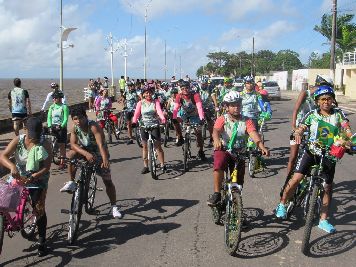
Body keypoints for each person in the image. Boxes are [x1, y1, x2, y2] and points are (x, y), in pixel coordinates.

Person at [275, 85, 353, 233]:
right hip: (311, 152)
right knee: (296, 178)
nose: (326, 102)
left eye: (329, 99)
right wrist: (298, 132)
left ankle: (323, 220)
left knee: (327, 188)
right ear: (317, 101)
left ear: (333, 101)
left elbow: (346, 129)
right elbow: (302, 127)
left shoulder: (338, 114)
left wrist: (350, 141)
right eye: (323, 99)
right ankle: (282, 204)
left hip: (330, 155)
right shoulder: (312, 114)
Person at [0, 117, 52, 256]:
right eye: (31, 135)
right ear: (25, 130)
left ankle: (42, 240)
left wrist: (34, 177)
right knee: (4, 201)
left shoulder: (45, 143)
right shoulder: (19, 140)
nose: (34, 138)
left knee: (38, 208)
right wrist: (12, 166)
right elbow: (3, 156)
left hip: (37, 178)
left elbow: (46, 167)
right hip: (18, 176)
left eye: (37, 135)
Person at [207, 91, 269, 206]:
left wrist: (261, 146)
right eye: (233, 105)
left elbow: (253, 133)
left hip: (239, 153)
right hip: (224, 150)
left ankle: (237, 214)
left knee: (238, 183)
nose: (236, 107)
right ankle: (217, 194)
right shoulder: (222, 119)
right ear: (226, 107)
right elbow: (215, 131)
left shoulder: (247, 120)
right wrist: (216, 140)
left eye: (238, 104)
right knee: (219, 164)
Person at [60, 106, 122, 219]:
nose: (78, 121)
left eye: (80, 118)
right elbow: (73, 144)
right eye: (75, 119)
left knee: (107, 181)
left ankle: (114, 206)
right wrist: (86, 154)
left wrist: (104, 159)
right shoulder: (74, 128)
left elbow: (100, 144)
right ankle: (71, 181)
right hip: (85, 152)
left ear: (85, 117)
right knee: (71, 155)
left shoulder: (93, 126)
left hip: (99, 152)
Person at [132, 85, 167, 174]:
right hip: (144, 126)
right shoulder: (140, 103)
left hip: (154, 125)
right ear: (143, 94)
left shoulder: (156, 102)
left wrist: (162, 118)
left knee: (158, 146)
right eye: (146, 93)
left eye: (150, 92)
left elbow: (159, 111)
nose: (148, 94)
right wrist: (134, 122)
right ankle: (145, 166)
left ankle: (163, 164)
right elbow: (136, 114)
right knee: (145, 147)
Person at [172, 81, 206, 160]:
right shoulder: (179, 96)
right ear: (180, 89)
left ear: (189, 88)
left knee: (198, 133)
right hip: (184, 114)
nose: (185, 90)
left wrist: (201, 118)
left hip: (195, 115)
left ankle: (201, 151)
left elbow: (199, 107)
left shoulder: (195, 95)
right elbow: (176, 108)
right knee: (175, 119)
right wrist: (174, 118)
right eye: (183, 88)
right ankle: (180, 137)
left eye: (186, 88)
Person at [47, 91, 69, 169]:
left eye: (55, 98)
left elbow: (66, 118)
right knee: (50, 144)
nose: (54, 99)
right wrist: (49, 126)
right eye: (53, 98)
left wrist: (61, 126)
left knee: (61, 145)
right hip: (53, 126)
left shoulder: (64, 107)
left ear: (60, 98)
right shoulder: (51, 107)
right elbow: (49, 117)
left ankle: (63, 162)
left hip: (61, 128)